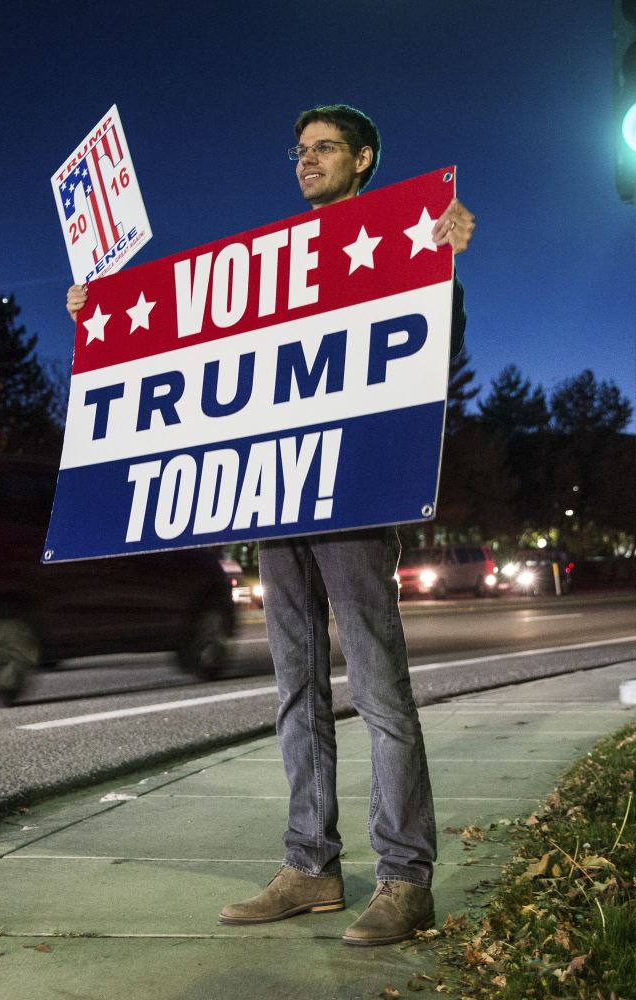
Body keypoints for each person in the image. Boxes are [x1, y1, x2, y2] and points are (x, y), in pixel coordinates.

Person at [67, 104, 473, 947]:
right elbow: (190, 337)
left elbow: (439, 341)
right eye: (299, 150)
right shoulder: (270, 268)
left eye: (325, 149)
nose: (307, 160)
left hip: (353, 498)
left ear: (363, 160)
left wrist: (442, 254)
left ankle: (405, 878)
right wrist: (99, 310)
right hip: (274, 502)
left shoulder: (407, 238)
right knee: (295, 686)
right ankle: (310, 866)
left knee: (378, 687)